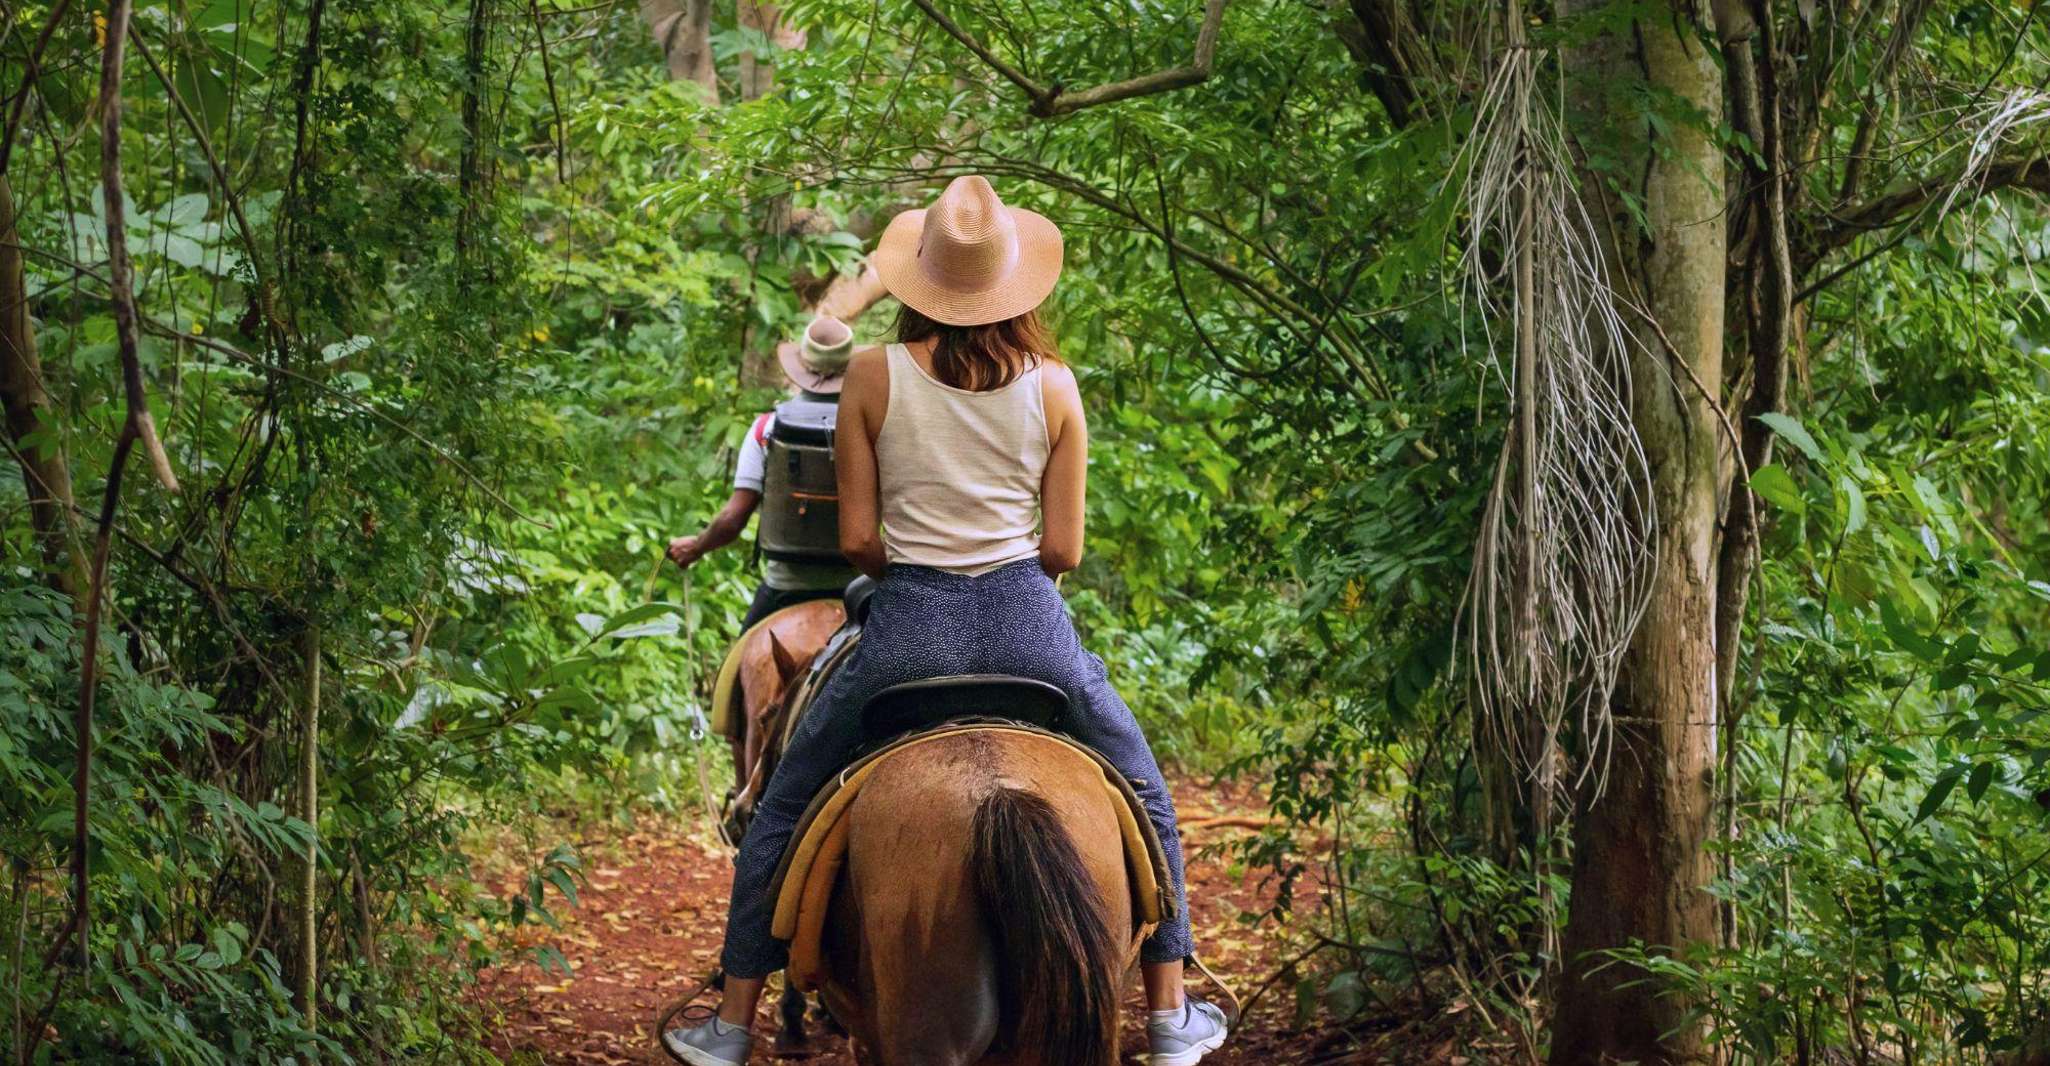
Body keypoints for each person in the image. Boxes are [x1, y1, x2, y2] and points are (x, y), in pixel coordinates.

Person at [664, 175, 1229, 1066]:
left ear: (921, 280)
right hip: (1028, 627)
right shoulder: (1056, 385)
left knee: (779, 804)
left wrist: (920, 573)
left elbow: (857, 540)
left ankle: (730, 1027)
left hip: (907, 631)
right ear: (1014, 284)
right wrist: (999, 572)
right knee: (1146, 790)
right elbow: (1065, 552)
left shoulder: (872, 375)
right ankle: (1168, 1014)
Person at [668, 315, 860, 629]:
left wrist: (696, 547)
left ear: (802, 367)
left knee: (732, 674)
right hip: (853, 589)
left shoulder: (766, 429)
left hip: (786, 588)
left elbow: (733, 519)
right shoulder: (873, 429)